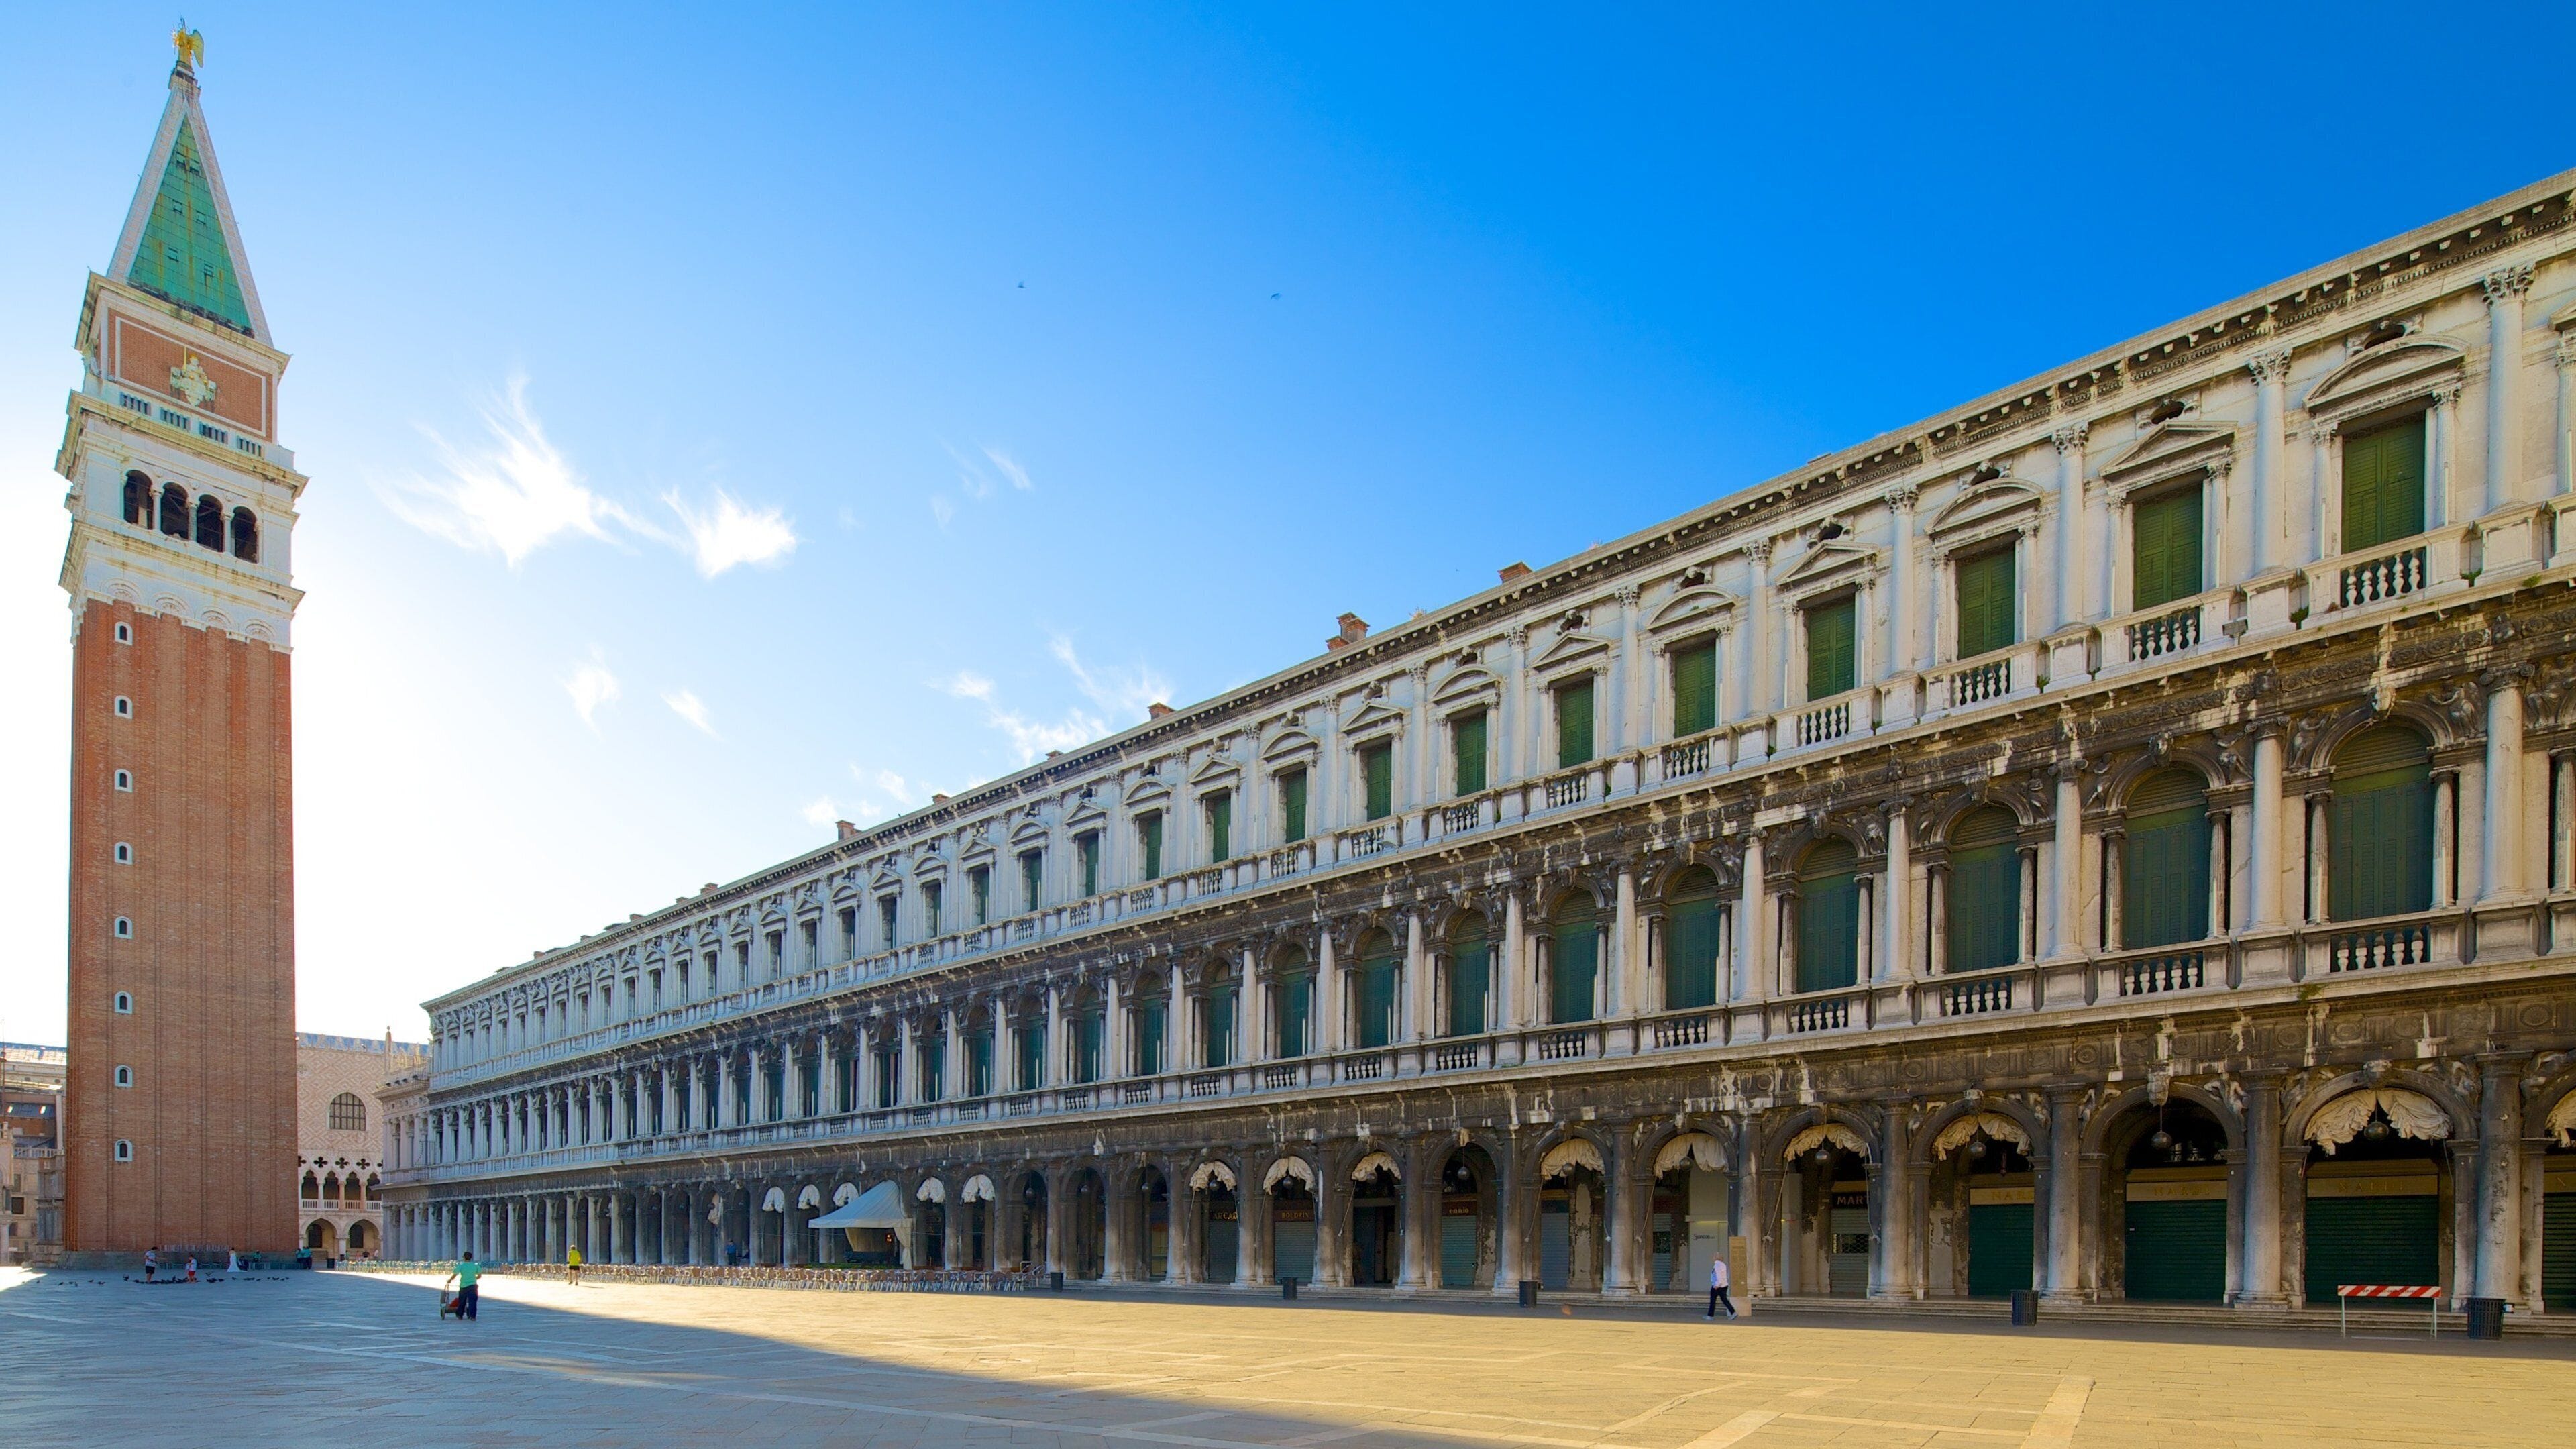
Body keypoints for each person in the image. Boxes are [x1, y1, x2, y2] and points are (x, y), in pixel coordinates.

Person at [443, 1251, 482, 1321]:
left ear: (464, 1258)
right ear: (471, 1258)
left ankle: (460, 1315)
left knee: (462, 1301)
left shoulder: (461, 1266)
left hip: (463, 1286)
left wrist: (450, 1280)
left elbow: (455, 1274)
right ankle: (473, 1316)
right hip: (473, 1286)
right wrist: (473, 1278)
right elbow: (479, 1276)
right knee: (472, 1302)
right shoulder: (475, 1266)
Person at [1706, 1252, 1735, 1320]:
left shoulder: (1717, 1264)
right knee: (1725, 1300)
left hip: (1718, 1286)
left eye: (1714, 1256)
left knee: (1713, 1300)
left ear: (1716, 1257)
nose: (1712, 1258)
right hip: (1724, 1285)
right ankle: (1733, 1312)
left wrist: (1717, 1285)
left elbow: (1719, 1275)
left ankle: (1710, 1315)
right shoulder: (1722, 1264)